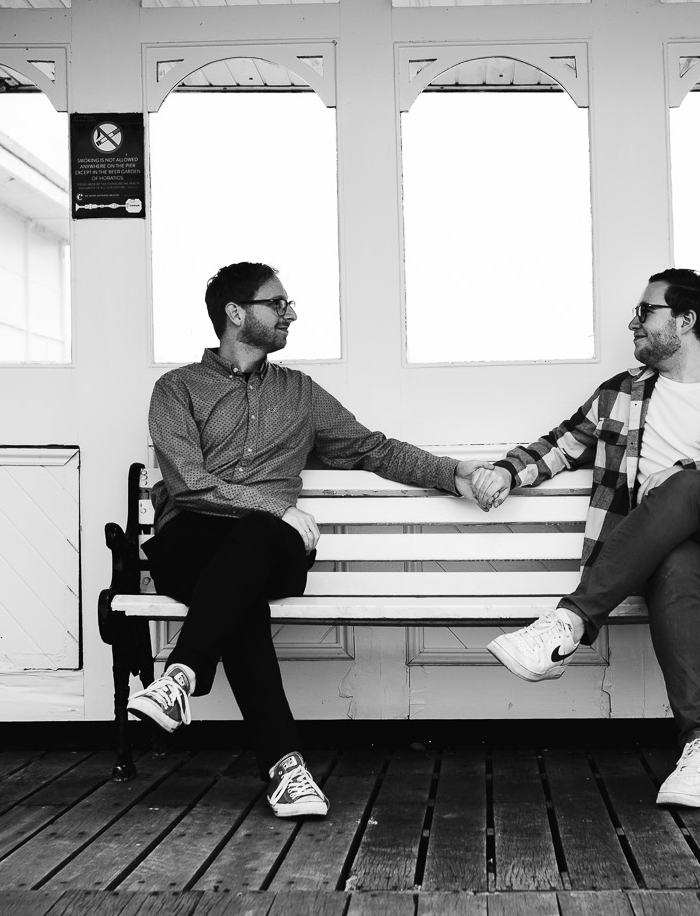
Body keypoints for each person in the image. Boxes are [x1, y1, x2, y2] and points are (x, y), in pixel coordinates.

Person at [133, 261, 491, 818]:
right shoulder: (176, 389)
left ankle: (182, 676)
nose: (290, 313)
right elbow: (189, 483)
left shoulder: (299, 393)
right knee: (239, 599)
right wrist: (277, 506)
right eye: (277, 304)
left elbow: (371, 448)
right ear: (235, 312)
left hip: (271, 548)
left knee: (250, 549)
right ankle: (285, 768)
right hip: (192, 543)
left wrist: (454, 472)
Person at [470, 269, 700, 808]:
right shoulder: (621, 393)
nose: (634, 323)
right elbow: (559, 445)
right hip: (679, 553)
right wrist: (507, 472)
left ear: (685, 320)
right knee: (675, 561)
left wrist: (683, 472)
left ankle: (569, 623)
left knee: (689, 485)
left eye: (645, 312)